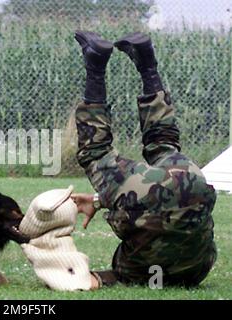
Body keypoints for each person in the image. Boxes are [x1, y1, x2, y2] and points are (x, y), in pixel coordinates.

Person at [70, 31, 217, 287]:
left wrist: (100, 199)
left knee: (161, 144)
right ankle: (113, 62)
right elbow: (156, 211)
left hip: (191, 181)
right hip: (172, 187)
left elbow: (161, 210)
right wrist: (101, 198)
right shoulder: (144, 273)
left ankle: (131, 64)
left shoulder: (189, 271)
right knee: (106, 153)